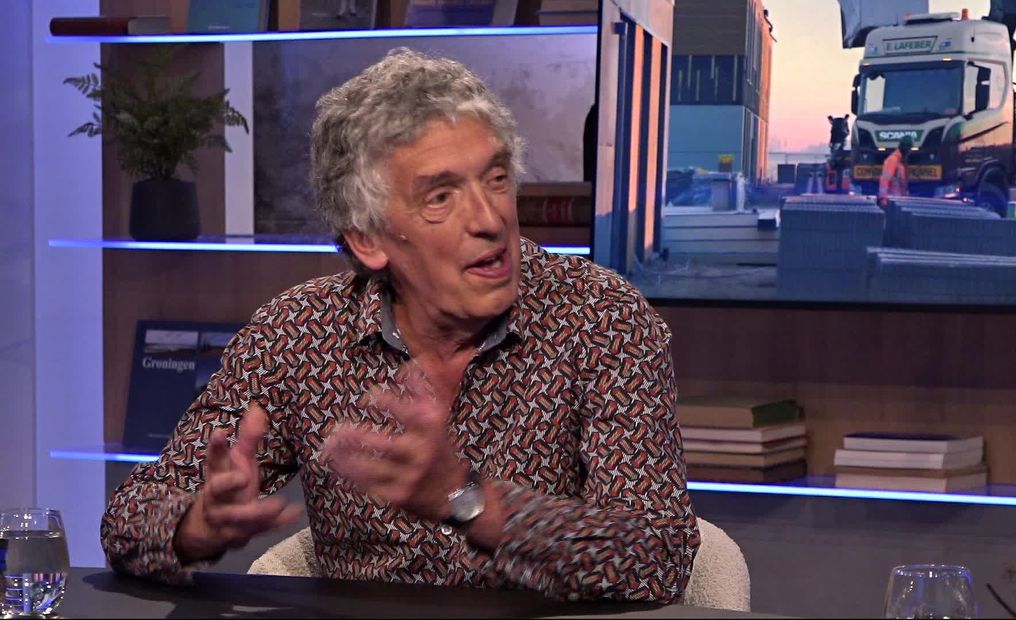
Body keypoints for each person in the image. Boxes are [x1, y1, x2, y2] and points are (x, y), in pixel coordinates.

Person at [101, 47, 700, 603]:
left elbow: (657, 554)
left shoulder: (602, 319)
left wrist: (470, 501)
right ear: (368, 240)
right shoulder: (298, 334)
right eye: (440, 197)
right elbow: (129, 518)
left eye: (496, 179)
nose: (490, 219)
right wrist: (196, 527)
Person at [878, 136, 912, 207]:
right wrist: (883, 198)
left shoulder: (901, 162)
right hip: (891, 201)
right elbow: (885, 179)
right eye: (909, 148)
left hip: (898, 201)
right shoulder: (893, 160)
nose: (910, 151)